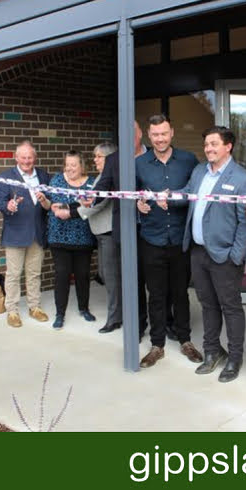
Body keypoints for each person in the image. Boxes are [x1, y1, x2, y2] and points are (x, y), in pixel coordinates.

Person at [182, 126, 246, 383]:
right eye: (206, 144)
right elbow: (187, 194)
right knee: (207, 305)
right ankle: (212, 351)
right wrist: (166, 197)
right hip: (198, 252)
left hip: (224, 256)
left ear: (228, 146)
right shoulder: (199, 171)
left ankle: (235, 358)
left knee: (231, 308)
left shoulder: (243, 179)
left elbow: (245, 222)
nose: (209, 149)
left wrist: (236, 256)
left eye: (214, 144)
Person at [136, 114, 202, 368]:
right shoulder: (140, 163)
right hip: (151, 238)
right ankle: (157, 344)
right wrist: (138, 204)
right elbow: (132, 195)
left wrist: (175, 199)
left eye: (164, 133)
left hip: (179, 239)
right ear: (148, 135)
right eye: (155, 135)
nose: (160, 139)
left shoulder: (188, 160)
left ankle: (185, 340)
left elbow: (194, 194)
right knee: (156, 294)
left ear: (172, 133)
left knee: (181, 292)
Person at [90, 121, 148, 339]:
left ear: (140, 133)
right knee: (118, 276)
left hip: (149, 228)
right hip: (123, 226)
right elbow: (103, 185)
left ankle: (148, 322)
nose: (129, 137)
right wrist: (91, 197)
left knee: (147, 278)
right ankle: (118, 319)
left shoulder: (151, 157)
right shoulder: (113, 159)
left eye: (132, 132)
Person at [60, 142, 122, 333]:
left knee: (110, 277)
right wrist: (67, 207)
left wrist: (72, 213)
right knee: (104, 274)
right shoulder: (101, 177)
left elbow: (97, 204)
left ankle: (115, 318)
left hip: (109, 233)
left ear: (110, 159)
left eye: (98, 156)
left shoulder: (110, 178)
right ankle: (118, 314)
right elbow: (88, 198)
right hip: (101, 234)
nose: (94, 160)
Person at [0, 141, 51, 328]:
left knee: (34, 273)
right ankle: (12, 310)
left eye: (30, 157)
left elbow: (49, 205)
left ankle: (34, 307)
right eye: (23, 157)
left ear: (34, 158)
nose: (27, 161)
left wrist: (45, 201)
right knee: (13, 274)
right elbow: (0, 203)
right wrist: (8, 206)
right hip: (16, 233)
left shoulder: (43, 176)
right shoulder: (6, 177)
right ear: (16, 157)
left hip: (37, 232)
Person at [48, 150, 96, 329]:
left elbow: (91, 205)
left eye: (73, 165)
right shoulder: (57, 180)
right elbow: (55, 203)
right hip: (59, 236)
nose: (69, 168)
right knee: (62, 274)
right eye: (67, 165)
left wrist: (69, 211)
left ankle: (84, 308)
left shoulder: (91, 183)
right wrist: (63, 209)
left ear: (82, 165)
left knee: (83, 275)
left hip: (83, 237)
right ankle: (60, 313)